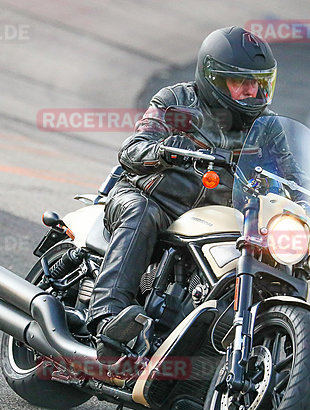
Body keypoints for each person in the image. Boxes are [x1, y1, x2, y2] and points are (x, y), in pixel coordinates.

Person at [88, 26, 280, 361]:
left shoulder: (269, 126)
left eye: (259, 82)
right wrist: (162, 151)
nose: (253, 91)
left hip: (213, 219)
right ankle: (106, 317)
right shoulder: (175, 100)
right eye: (243, 83)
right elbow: (133, 149)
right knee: (141, 215)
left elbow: (291, 171)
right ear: (214, 79)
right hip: (150, 197)